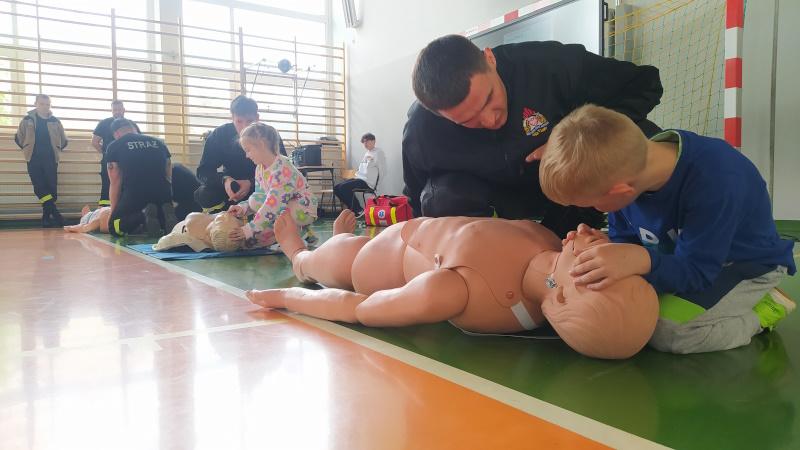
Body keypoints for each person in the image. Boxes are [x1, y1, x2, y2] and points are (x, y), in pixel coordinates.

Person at [538, 104, 797, 354]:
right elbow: (626, 236)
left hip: (743, 266)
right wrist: (609, 246)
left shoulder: (717, 182)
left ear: (620, 191)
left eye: (592, 204)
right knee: (632, 310)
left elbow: (698, 272)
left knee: (667, 331)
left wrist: (641, 258)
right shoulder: (626, 168)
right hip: (681, 258)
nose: (593, 211)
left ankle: (763, 312)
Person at [246, 209, 660, 359]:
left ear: (564, 294)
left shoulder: (463, 291)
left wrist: (289, 296)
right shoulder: (552, 244)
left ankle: (299, 255)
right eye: (615, 257)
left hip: (377, 262)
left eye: (596, 267)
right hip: (420, 227)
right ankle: (334, 244)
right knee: (341, 247)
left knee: (326, 261)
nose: (600, 245)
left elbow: (357, 308)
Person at [403, 35, 663, 237]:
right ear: (439, 116)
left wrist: (572, 138)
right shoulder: (421, 131)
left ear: (490, 59)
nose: (490, 120)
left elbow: (644, 85)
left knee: (642, 141)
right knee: (439, 198)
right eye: (467, 120)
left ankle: (656, 238)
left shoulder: (547, 64)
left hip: (571, 189)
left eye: (489, 99)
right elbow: (416, 203)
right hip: (501, 206)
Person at [225, 123, 318, 249]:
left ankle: (298, 234)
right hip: (283, 206)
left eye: (248, 150)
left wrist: (250, 229)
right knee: (255, 202)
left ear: (262, 145)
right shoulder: (260, 168)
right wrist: (243, 208)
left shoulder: (282, 169)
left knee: (270, 218)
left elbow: (273, 204)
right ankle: (289, 233)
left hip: (303, 209)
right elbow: (260, 196)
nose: (247, 155)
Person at [195, 95, 287, 214]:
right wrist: (225, 180)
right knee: (204, 193)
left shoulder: (269, 135)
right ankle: (224, 217)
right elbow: (203, 171)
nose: (244, 127)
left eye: (250, 121)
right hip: (231, 189)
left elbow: (282, 169)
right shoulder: (219, 135)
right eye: (239, 121)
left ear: (257, 118)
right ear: (232, 118)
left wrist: (250, 183)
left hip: (262, 187)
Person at [105, 118, 177, 237]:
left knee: (114, 227)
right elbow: (168, 174)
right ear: (134, 129)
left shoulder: (115, 145)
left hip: (135, 194)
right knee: (160, 216)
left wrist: (113, 213)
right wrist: (169, 198)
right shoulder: (159, 142)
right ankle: (163, 218)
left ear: (116, 134)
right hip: (162, 194)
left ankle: (142, 216)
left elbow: (115, 182)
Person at [14, 94, 68, 227]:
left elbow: (63, 140)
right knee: (39, 187)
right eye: (42, 104)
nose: (45, 107)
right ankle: (56, 214)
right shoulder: (27, 120)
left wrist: (56, 149)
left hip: (50, 159)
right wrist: (27, 148)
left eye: (47, 104)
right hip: (33, 158)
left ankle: (46, 218)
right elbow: (19, 137)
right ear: (36, 104)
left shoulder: (55, 121)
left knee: (51, 188)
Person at [92, 100, 140, 207]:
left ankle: (126, 208)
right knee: (107, 187)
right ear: (111, 111)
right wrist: (107, 155)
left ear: (124, 110)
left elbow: (138, 140)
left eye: (119, 109)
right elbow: (95, 142)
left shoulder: (131, 124)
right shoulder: (104, 123)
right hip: (110, 163)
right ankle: (105, 211)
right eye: (115, 110)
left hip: (129, 162)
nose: (117, 112)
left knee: (127, 185)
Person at [333, 132, 386, 215]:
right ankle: (353, 209)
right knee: (336, 188)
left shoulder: (379, 153)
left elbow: (383, 170)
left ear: (373, 141)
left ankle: (359, 210)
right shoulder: (367, 153)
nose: (365, 144)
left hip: (368, 182)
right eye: (364, 142)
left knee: (343, 187)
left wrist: (376, 186)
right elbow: (362, 169)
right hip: (359, 178)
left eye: (367, 141)